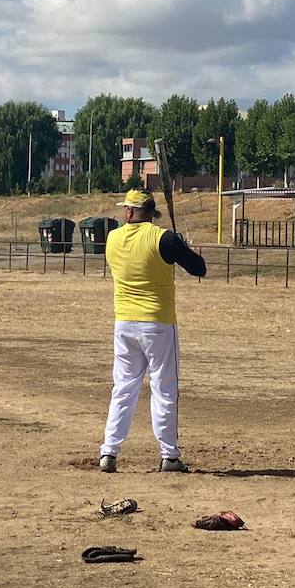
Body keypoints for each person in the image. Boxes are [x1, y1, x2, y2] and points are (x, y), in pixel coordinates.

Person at [98, 189, 207, 473]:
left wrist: (175, 243)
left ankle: (109, 450)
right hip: (158, 322)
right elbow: (199, 268)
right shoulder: (164, 238)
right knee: (164, 388)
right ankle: (169, 455)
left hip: (124, 323)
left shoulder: (112, 238)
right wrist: (181, 244)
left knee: (123, 387)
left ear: (130, 212)